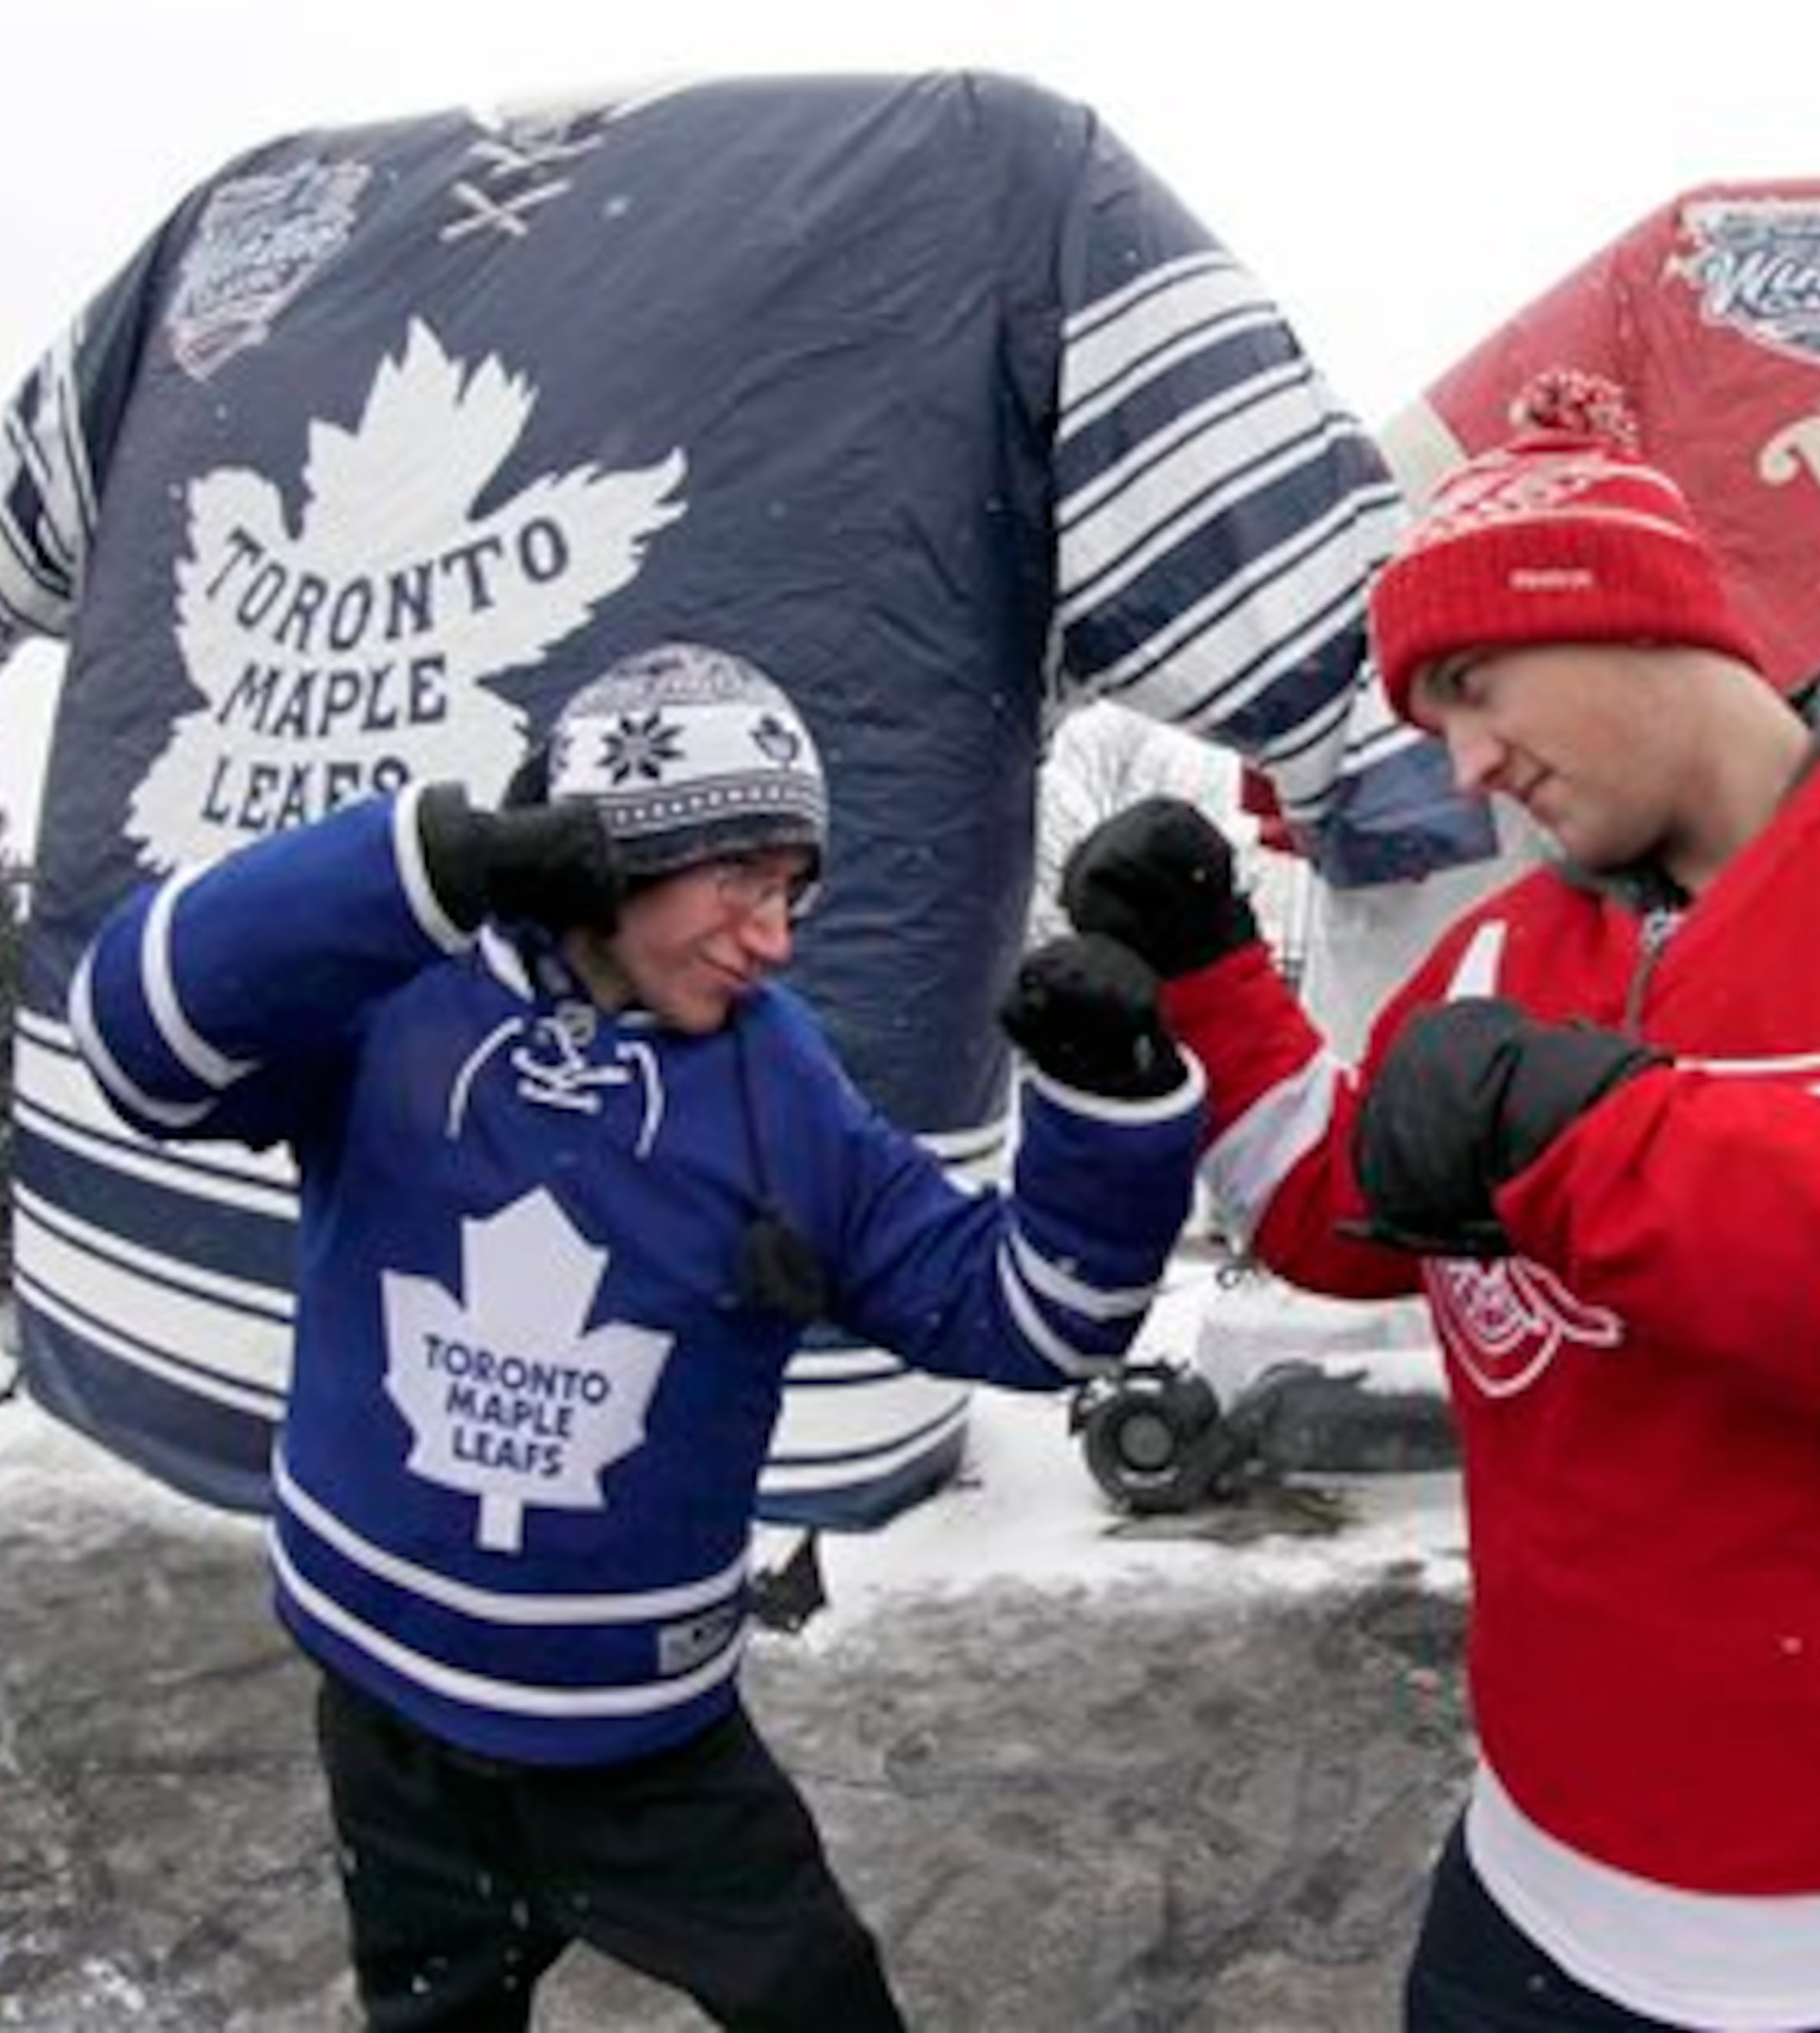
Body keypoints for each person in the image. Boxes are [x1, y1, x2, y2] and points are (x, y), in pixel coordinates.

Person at [1062, 373, 1820, 2031]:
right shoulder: (1509, 950)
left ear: (1625, 615)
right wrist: (1207, 987)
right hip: (1537, 1904)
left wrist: (1596, 1139)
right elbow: (1353, 1211)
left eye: (1474, 687)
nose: (1471, 767)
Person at [70, 640, 1205, 2031]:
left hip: (650, 1758)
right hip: (390, 1729)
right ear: (605, 858)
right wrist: (432, 865)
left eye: (793, 890)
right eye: (740, 877)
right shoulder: (396, 1006)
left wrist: (1112, 1105)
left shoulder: (777, 1080)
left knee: (829, 2009)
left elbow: (1039, 1315)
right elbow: (132, 1033)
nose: (776, 934)